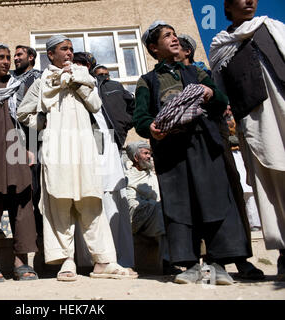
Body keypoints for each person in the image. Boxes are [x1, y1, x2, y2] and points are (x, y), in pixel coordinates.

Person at [133, 21, 252, 285]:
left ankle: (218, 262)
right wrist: (151, 129)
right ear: (154, 48)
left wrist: (210, 92)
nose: (174, 39)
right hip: (170, 151)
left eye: (175, 34)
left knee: (214, 199)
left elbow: (221, 101)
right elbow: (140, 117)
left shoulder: (196, 73)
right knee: (179, 204)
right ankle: (188, 264)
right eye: (167, 36)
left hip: (203, 144)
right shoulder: (147, 81)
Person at [17, 35, 136, 281]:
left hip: (84, 147)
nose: (69, 53)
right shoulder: (41, 81)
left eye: (71, 49)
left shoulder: (85, 77)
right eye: (64, 49)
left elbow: (94, 104)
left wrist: (77, 80)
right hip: (56, 149)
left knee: (91, 201)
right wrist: (42, 122)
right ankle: (66, 261)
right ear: (51, 54)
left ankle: (103, 261)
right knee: (60, 202)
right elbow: (22, 112)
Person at [177, 33, 264, 280]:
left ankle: (241, 258)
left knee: (230, 196)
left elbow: (222, 102)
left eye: (179, 46)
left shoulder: (203, 73)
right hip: (188, 147)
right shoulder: (165, 77)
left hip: (215, 140)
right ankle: (211, 261)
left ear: (187, 52)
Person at [209, 0, 285, 280]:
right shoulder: (221, 45)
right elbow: (221, 92)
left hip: (283, 107)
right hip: (256, 120)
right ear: (228, 7)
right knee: (270, 184)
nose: (250, 1)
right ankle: (283, 252)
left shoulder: (273, 28)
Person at [0, 43, 38, 283]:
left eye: (8, 58)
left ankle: (21, 262)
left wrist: (31, 149)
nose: (6, 62)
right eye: (0, 58)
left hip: (17, 152)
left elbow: (30, 119)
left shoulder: (18, 87)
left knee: (22, 205)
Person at [72, 52, 136, 272]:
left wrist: (120, 130)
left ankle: (120, 259)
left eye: (83, 63)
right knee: (88, 200)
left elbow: (131, 109)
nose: (78, 66)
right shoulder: (68, 85)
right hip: (81, 145)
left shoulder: (107, 87)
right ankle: (90, 261)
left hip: (107, 141)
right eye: (75, 63)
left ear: (90, 66)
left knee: (113, 199)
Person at [124, 141, 175, 274]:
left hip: (157, 215)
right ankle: (165, 262)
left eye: (150, 154)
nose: (149, 157)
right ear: (136, 157)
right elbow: (131, 206)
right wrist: (154, 205)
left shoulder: (152, 175)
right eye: (145, 153)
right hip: (139, 221)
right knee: (159, 210)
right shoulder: (128, 177)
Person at [11, 45, 43, 237]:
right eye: (14, 55)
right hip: (14, 136)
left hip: (33, 135)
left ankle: (39, 230)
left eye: (19, 55)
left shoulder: (40, 77)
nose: (15, 58)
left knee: (35, 184)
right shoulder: (11, 78)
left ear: (31, 57)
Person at [92, 64, 135, 151]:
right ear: (94, 76)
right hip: (99, 131)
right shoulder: (93, 89)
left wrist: (127, 122)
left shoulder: (116, 86)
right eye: (100, 75)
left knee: (115, 157)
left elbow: (132, 104)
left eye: (106, 74)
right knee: (101, 157)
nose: (104, 77)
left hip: (117, 130)